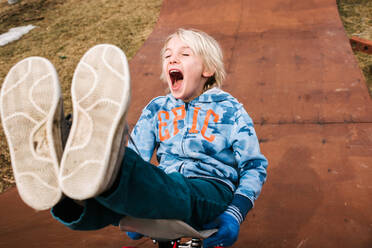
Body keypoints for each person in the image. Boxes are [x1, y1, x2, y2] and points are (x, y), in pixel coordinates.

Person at [0, 28, 268, 248]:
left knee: (168, 188)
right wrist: (134, 200)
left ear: (207, 69)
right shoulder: (157, 108)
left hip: (210, 189)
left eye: (184, 54)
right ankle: (65, 189)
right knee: (106, 198)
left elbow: (254, 166)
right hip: (164, 186)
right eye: (167, 56)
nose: (172, 59)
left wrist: (236, 212)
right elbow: (137, 156)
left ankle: (87, 152)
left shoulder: (229, 108)